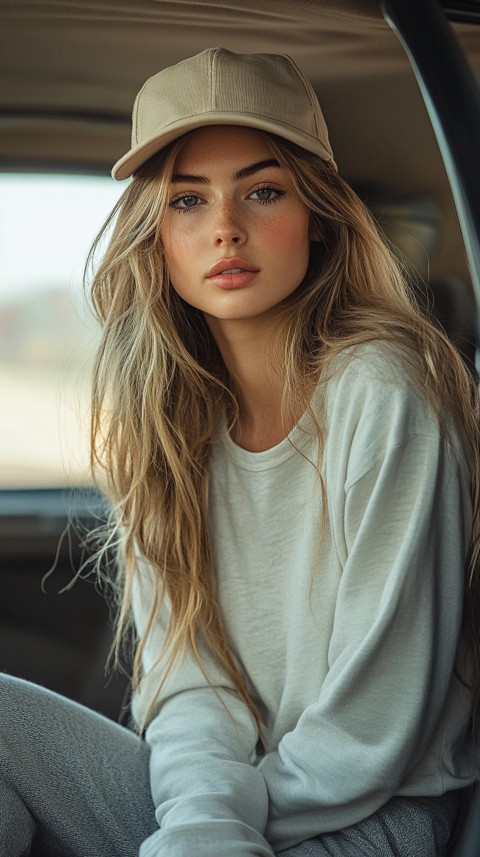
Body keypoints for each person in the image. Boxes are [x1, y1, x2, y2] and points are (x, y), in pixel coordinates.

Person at [1, 47, 479, 857]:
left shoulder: (384, 391)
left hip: (378, 816)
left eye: (263, 191)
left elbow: (376, 727)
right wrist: (201, 825)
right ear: (157, 234)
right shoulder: (166, 424)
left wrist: (210, 832)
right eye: (189, 199)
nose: (225, 226)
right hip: (222, 814)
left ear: (319, 212)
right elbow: (190, 690)